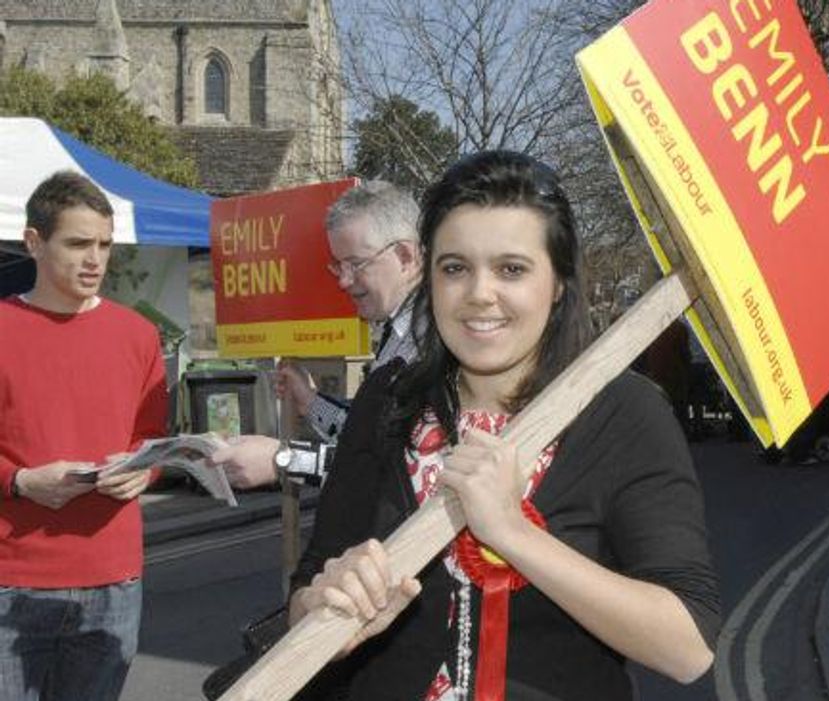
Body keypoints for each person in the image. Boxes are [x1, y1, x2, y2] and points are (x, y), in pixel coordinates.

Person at [289, 151, 719, 700]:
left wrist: (512, 533)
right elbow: (306, 589)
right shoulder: (388, 398)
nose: (478, 294)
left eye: (511, 269)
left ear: (558, 282)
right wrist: (328, 606)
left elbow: (687, 648)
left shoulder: (625, 413)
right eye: (455, 267)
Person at [0, 171, 167, 700]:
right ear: (34, 243)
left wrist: (145, 470)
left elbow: (152, 437)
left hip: (114, 581)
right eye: (77, 243)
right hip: (11, 581)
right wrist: (21, 481)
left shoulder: (139, 335)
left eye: (104, 244)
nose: (95, 259)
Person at [210, 181, 424, 488]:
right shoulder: (399, 331)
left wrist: (283, 460)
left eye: (356, 264)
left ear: (405, 256)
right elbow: (365, 436)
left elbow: (401, 467)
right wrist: (310, 401)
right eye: (338, 265)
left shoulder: (440, 338)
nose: (344, 281)